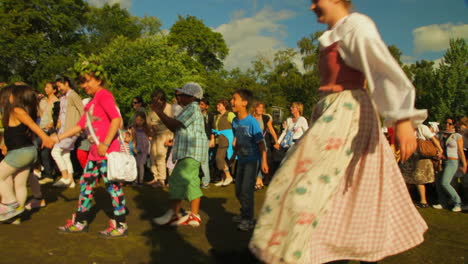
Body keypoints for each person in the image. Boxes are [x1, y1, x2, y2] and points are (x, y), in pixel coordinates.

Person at [249, 1, 428, 263]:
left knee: (300, 182)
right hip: (332, 109)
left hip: (348, 111)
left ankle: (297, 252)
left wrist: (401, 118)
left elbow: (381, 67)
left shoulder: (355, 26)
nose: (311, 6)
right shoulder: (336, 34)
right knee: (331, 191)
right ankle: (318, 251)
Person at [56, 64, 128, 237]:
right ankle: (80, 221)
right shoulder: (91, 102)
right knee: (86, 186)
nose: (83, 85)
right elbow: (81, 125)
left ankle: (120, 225)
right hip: (95, 154)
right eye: (81, 82)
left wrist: (105, 143)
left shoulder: (104, 95)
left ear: (99, 79)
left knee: (113, 187)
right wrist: (58, 138)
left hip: (106, 152)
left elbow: (117, 119)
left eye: (87, 81)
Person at [152, 82, 208, 227]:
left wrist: (159, 112)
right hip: (193, 151)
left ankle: (174, 215)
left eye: (181, 95)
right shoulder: (191, 109)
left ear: (191, 97)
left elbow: (174, 125)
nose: (178, 97)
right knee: (192, 182)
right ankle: (194, 216)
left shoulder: (192, 108)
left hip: (190, 151)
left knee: (177, 179)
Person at [0, 84, 55, 221]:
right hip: (27, 151)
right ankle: (16, 215)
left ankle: (10, 203)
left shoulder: (16, 110)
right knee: (19, 183)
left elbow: (32, 124)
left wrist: (45, 137)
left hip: (20, 153)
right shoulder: (17, 111)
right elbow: (13, 133)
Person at [230, 89, 269, 231]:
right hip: (241, 160)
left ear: (244, 103)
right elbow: (238, 142)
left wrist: (264, 162)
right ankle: (244, 213)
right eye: (232, 99)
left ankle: (248, 219)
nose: (232, 102)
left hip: (252, 161)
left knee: (247, 190)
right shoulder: (235, 121)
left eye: (235, 99)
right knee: (238, 190)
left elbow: (261, 144)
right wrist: (233, 156)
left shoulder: (252, 122)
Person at [400, 123, 443, 208]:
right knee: (406, 177)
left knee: (419, 179)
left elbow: (433, 138)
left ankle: (423, 201)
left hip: (420, 156)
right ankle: (405, 199)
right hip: (410, 155)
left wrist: (440, 150)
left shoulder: (422, 127)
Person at [52, 76, 84, 188]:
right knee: (65, 154)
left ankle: (65, 176)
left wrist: (81, 127)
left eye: (59, 86)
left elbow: (82, 111)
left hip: (72, 129)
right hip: (63, 129)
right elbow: (62, 113)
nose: (59, 88)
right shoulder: (63, 97)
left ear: (66, 83)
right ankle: (70, 180)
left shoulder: (73, 95)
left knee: (55, 152)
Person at [433, 117, 467, 212]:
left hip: (452, 161)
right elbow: (434, 143)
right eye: (446, 123)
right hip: (442, 161)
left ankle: (458, 202)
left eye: (450, 123)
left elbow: (460, 151)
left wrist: (464, 164)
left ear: (454, 125)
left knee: (445, 182)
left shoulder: (457, 136)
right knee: (439, 183)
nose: (447, 125)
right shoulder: (440, 134)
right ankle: (442, 202)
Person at [146, 89, 173, 187]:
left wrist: (170, 137)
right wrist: (150, 129)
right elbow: (148, 121)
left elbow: (171, 122)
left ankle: (161, 179)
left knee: (160, 157)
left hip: (165, 134)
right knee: (153, 156)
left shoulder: (169, 108)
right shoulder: (153, 108)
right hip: (154, 135)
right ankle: (155, 177)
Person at [251, 101, 280, 189]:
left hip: (262, 142)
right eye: (259, 107)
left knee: (262, 160)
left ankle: (259, 179)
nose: (260, 109)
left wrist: (276, 141)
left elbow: (271, 130)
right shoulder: (250, 118)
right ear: (255, 108)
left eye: (262, 107)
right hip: (252, 143)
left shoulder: (265, 118)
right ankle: (257, 179)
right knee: (255, 161)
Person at [37, 82, 59, 184]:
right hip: (40, 128)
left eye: (48, 87)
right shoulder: (43, 100)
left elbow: (56, 117)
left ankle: (48, 174)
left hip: (49, 130)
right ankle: (47, 172)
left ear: (54, 90)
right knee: (42, 151)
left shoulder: (56, 102)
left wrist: (51, 124)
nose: (45, 88)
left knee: (44, 151)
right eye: (45, 86)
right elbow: (39, 113)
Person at [213, 99, 236, 187]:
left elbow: (236, 126)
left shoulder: (230, 114)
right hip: (219, 139)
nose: (217, 106)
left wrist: (235, 139)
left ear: (224, 106)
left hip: (227, 139)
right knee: (223, 159)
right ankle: (223, 179)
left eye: (219, 105)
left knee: (219, 158)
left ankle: (228, 176)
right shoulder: (217, 116)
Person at [199, 97, 215, 188]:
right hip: (197, 139)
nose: (200, 106)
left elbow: (213, 128)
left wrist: (212, 139)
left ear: (207, 106)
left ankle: (206, 182)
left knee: (204, 160)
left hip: (206, 139)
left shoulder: (210, 116)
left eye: (202, 104)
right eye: (199, 104)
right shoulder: (196, 115)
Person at [132, 112, 150, 185]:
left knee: (141, 165)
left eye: (140, 120)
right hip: (138, 148)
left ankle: (141, 180)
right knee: (136, 165)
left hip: (144, 149)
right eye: (137, 120)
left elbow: (149, 137)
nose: (139, 122)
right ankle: (135, 180)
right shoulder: (135, 129)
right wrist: (134, 148)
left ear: (144, 120)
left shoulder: (146, 128)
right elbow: (134, 139)